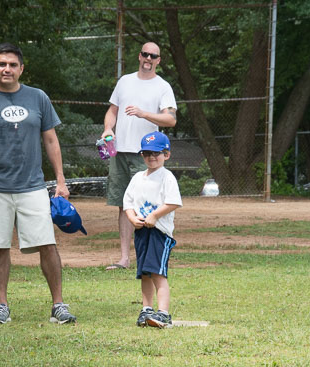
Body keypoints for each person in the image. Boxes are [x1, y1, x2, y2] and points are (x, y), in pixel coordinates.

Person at [0, 42, 76, 324]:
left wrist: (60, 179)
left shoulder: (38, 98)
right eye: (2, 64)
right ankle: (2, 305)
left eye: (12, 65)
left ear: (21, 69)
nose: (7, 69)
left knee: (47, 243)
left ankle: (58, 305)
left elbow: (51, 139)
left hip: (33, 186)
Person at [101, 42, 177, 270]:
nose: (148, 58)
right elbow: (112, 111)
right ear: (139, 55)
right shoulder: (125, 81)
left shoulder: (163, 87)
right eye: (145, 54)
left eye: (153, 56)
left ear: (158, 60)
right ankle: (124, 258)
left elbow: (171, 119)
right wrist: (108, 129)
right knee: (124, 205)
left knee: (147, 204)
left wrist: (144, 114)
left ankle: (148, 253)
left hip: (145, 155)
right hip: (119, 151)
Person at [123, 131, 182, 328]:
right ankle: (146, 309)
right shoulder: (138, 178)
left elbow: (173, 202)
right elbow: (128, 203)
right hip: (142, 232)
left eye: (157, 153)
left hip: (159, 233)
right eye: (147, 153)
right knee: (145, 272)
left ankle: (163, 313)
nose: (151, 157)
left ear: (167, 154)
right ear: (142, 155)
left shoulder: (167, 177)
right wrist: (133, 218)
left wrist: (154, 216)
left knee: (158, 273)